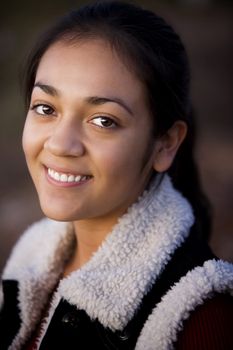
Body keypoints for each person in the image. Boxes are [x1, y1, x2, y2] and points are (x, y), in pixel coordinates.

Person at [0, 1, 233, 349]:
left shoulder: (205, 317)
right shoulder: (28, 264)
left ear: (165, 144)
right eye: (46, 108)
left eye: (103, 120)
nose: (61, 144)